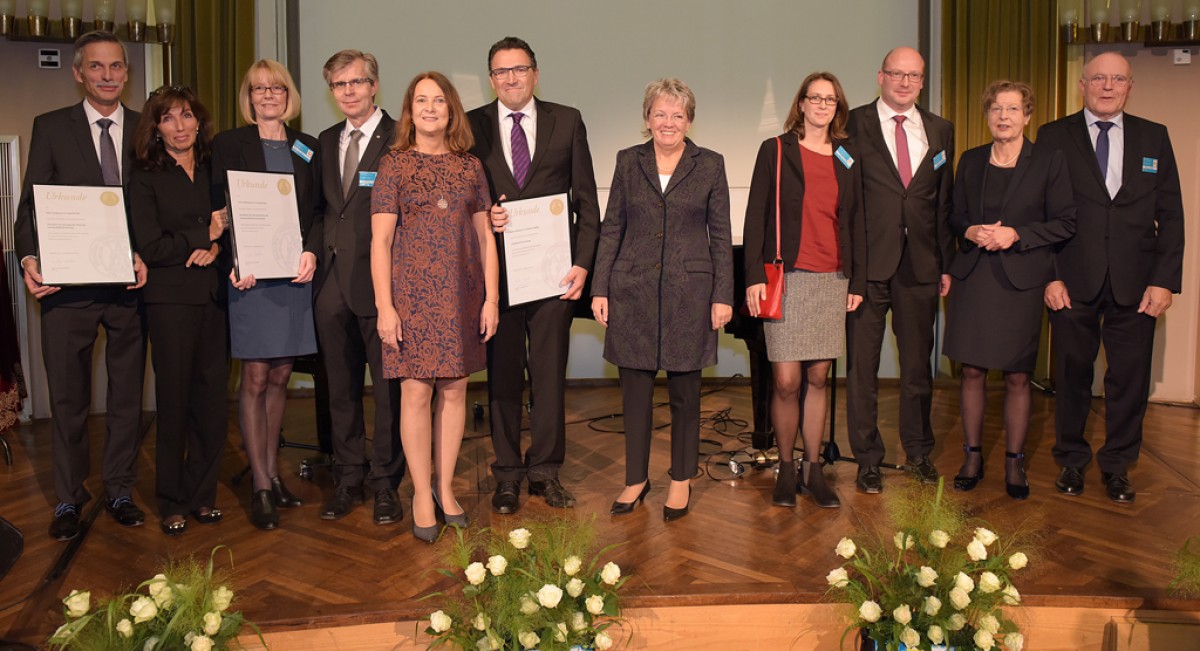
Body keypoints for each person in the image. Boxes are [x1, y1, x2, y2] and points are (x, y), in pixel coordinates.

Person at [14, 30, 148, 541]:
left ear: (126, 73)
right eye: (96, 66)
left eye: (116, 66)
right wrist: (30, 258)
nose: (107, 75)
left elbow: (153, 206)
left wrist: (148, 251)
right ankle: (69, 498)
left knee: (126, 396)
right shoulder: (51, 127)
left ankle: (119, 490)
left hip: (129, 288)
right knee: (68, 400)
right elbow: (31, 206)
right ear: (78, 73)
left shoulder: (146, 128)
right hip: (67, 288)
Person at [1036, 52, 1184, 504]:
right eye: (1098, 78)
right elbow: (1039, 213)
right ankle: (1071, 460)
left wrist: (1164, 281)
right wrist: (1050, 276)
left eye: (1117, 79)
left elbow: (1172, 215)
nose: (1107, 86)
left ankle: (1118, 466)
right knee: (1072, 377)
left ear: (1129, 87)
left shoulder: (1154, 136)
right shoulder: (1053, 136)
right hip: (1071, 280)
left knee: (1130, 382)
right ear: (1082, 85)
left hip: (1137, 284)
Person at [467, 36, 601, 514]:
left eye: (519, 69)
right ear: (491, 79)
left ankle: (545, 471)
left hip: (554, 277)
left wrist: (583, 263)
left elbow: (587, 201)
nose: (511, 78)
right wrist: (484, 215)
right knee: (502, 378)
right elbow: (464, 201)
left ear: (536, 73)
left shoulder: (568, 120)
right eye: (501, 71)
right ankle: (506, 473)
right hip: (497, 279)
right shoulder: (471, 126)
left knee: (548, 377)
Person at [591, 78, 733, 522]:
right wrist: (600, 287)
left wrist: (722, 295)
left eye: (677, 114)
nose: (668, 122)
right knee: (634, 394)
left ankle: (680, 479)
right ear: (647, 118)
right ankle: (636, 478)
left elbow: (721, 236)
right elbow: (612, 227)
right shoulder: (627, 161)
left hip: (690, 294)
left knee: (685, 394)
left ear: (689, 120)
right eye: (660, 113)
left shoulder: (710, 164)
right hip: (631, 290)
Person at [371, 72, 499, 542]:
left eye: (439, 100)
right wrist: (385, 307)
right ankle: (421, 494)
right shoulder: (394, 165)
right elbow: (380, 243)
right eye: (421, 100)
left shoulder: (471, 167)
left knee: (456, 391)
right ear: (410, 110)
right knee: (416, 394)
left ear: (451, 110)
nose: (430, 108)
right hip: (411, 299)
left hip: (463, 297)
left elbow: (485, 238)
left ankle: (445, 489)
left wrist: (492, 299)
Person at [943, 81, 1076, 500]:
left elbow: (1066, 221)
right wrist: (969, 230)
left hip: (1022, 279)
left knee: (1019, 374)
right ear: (987, 115)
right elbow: (953, 215)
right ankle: (972, 458)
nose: (1004, 116)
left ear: (1027, 116)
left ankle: (1015, 464)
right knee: (972, 371)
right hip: (974, 276)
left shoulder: (1049, 161)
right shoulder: (971, 159)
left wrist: (1016, 234)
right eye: (996, 109)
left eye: (1013, 109)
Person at [744, 72, 865, 510]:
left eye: (830, 99)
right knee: (786, 380)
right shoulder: (776, 150)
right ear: (801, 103)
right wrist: (753, 276)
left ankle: (813, 470)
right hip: (787, 277)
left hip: (832, 278)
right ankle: (786, 467)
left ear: (838, 107)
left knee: (818, 377)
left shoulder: (848, 156)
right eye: (815, 98)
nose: (822, 105)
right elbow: (755, 215)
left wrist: (858, 280)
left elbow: (856, 220)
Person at [211, 60, 321, 530]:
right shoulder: (228, 144)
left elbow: (318, 210)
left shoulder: (307, 146)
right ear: (249, 97)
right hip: (251, 277)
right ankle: (259, 485)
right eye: (259, 89)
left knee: (280, 376)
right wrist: (234, 259)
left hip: (292, 276)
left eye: (276, 88)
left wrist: (311, 250)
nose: (268, 95)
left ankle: (274, 475)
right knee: (255, 377)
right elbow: (218, 208)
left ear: (288, 95)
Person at [845, 46, 956, 493]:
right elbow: (844, 202)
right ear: (880, 76)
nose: (905, 82)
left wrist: (945, 262)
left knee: (916, 369)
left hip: (921, 266)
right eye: (897, 74)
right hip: (868, 267)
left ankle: (918, 453)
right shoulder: (851, 124)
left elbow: (942, 203)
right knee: (862, 370)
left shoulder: (941, 129)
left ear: (922, 81)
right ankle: (867, 459)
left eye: (914, 75)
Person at [129, 86, 230, 535]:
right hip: (169, 302)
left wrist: (216, 247)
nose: (180, 126)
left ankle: (203, 496)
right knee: (174, 403)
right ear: (156, 128)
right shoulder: (144, 176)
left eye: (187, 116)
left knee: (211, 405)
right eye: (168, 118)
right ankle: (171, 500)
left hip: (214, 297)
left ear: (198, 121)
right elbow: (150, 246)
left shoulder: (213, 169)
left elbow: (231, 229)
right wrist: (203, 234)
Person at [314, 50, 406, 525]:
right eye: (338, 84)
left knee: (389, 391)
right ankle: (348, 477)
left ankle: (386, 483)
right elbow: (322, 210)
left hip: (383, 286)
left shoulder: (402, 138)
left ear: (374, 85)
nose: (348, 91)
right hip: (331, 285)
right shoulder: (325, 140)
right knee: (341, 388)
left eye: (356, 82)